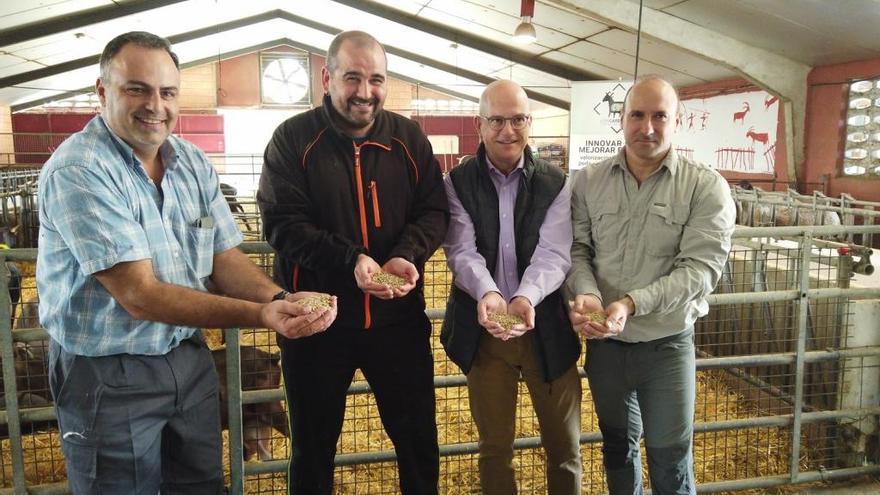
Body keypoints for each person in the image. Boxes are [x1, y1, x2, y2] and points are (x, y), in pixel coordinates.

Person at [36, 31, 337, 495]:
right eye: (136, 88)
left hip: (187, 357)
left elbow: (222, 257)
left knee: (199, 484)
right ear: (102, 91)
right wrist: (261, 315)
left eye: (167, 92)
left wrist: (279, 297)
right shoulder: (80, 169)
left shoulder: (191, 162)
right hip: (108, 370)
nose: (155, 105)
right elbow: (139, 294)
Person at [257, 31, 448, 494]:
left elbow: (434, 210)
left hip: (397, 322)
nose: (365, 92)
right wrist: (352, 261)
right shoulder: (293, 140)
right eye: (353, 78)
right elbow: (282, 223)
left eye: (376, 79)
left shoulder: (408, 139)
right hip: (318, 323)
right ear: (327, 78)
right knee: (312, 448)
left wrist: (406, 253)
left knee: (418, 442)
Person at [566, 75, 736, 494]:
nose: (648, 127)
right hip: (606, 346)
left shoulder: (704, 186)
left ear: (676, 122)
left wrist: (631, 303)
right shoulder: (588, 182)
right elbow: (577, 250)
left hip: (667, 344)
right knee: (617, 448)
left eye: (660, 116)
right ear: (620, 120)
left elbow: (701, 269)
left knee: (670, 453)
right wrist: (586, 293)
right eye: (637, 115)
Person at [441, 80, 582, 494]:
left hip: (547, 329)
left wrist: (524, 297)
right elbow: (461, 249)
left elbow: (555, 252)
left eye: (517, 119)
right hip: (484, 333)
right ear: (480, 124)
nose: (508, 131)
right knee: (494, 447)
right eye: (497, 120)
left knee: (565, 446)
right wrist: (489, 294)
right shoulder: (457, 182)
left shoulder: (556, 182)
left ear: (529, 122)